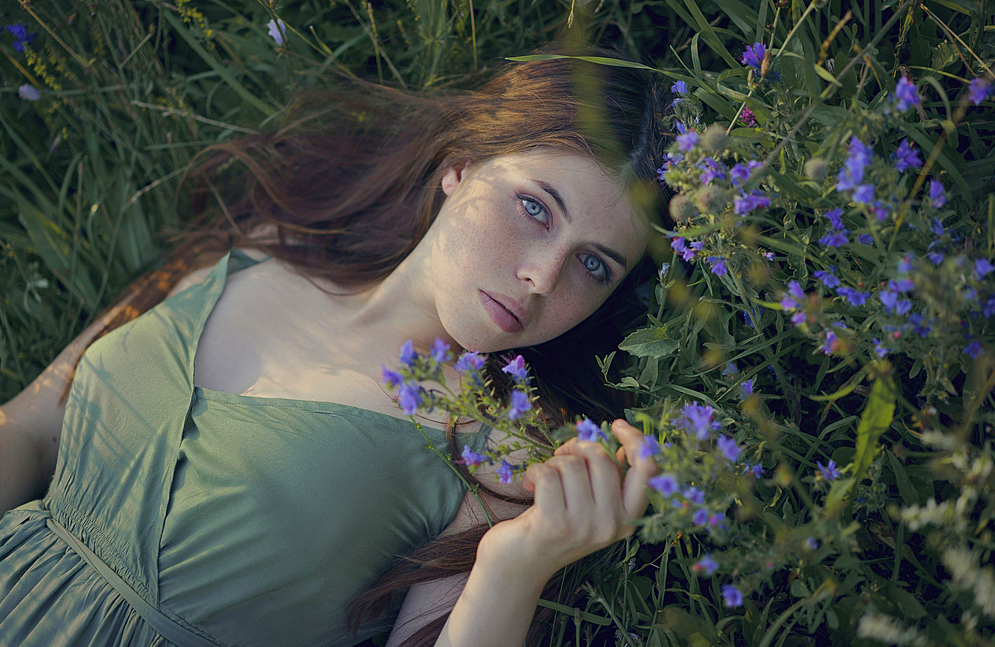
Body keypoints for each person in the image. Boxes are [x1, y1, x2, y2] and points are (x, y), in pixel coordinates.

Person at [0, 48, 671, 647]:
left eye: (593, 266)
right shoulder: (257, 248)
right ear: (460, 166)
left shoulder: (500, 452)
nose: (542, 276)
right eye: (535, 208)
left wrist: (514, 566)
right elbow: (31, 427)